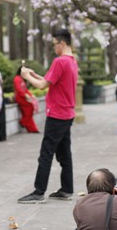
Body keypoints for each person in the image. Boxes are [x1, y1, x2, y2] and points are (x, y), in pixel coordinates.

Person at [17, 29, 78, 204]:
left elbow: (43, 86)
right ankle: (67, 189)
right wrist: (34, 75)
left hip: (57, 115)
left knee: (46, 153)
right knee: (64, 153)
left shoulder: (60, 61)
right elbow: (52, 81)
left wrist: (27, 76)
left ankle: (38, 191)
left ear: (62, 43)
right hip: (67, 114)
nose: (54, 48)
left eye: (54, 44)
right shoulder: (72, 61)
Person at [13, 65, 40, 133]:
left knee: (29, 112)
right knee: (30, 108)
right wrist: (25, 95)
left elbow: (25, 89)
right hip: (21, 98)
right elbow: (19, 89)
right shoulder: (17, 78)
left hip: (24, 97)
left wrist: (31, 95)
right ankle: (23, 122)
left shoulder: (21, 79)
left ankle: (32, 128)